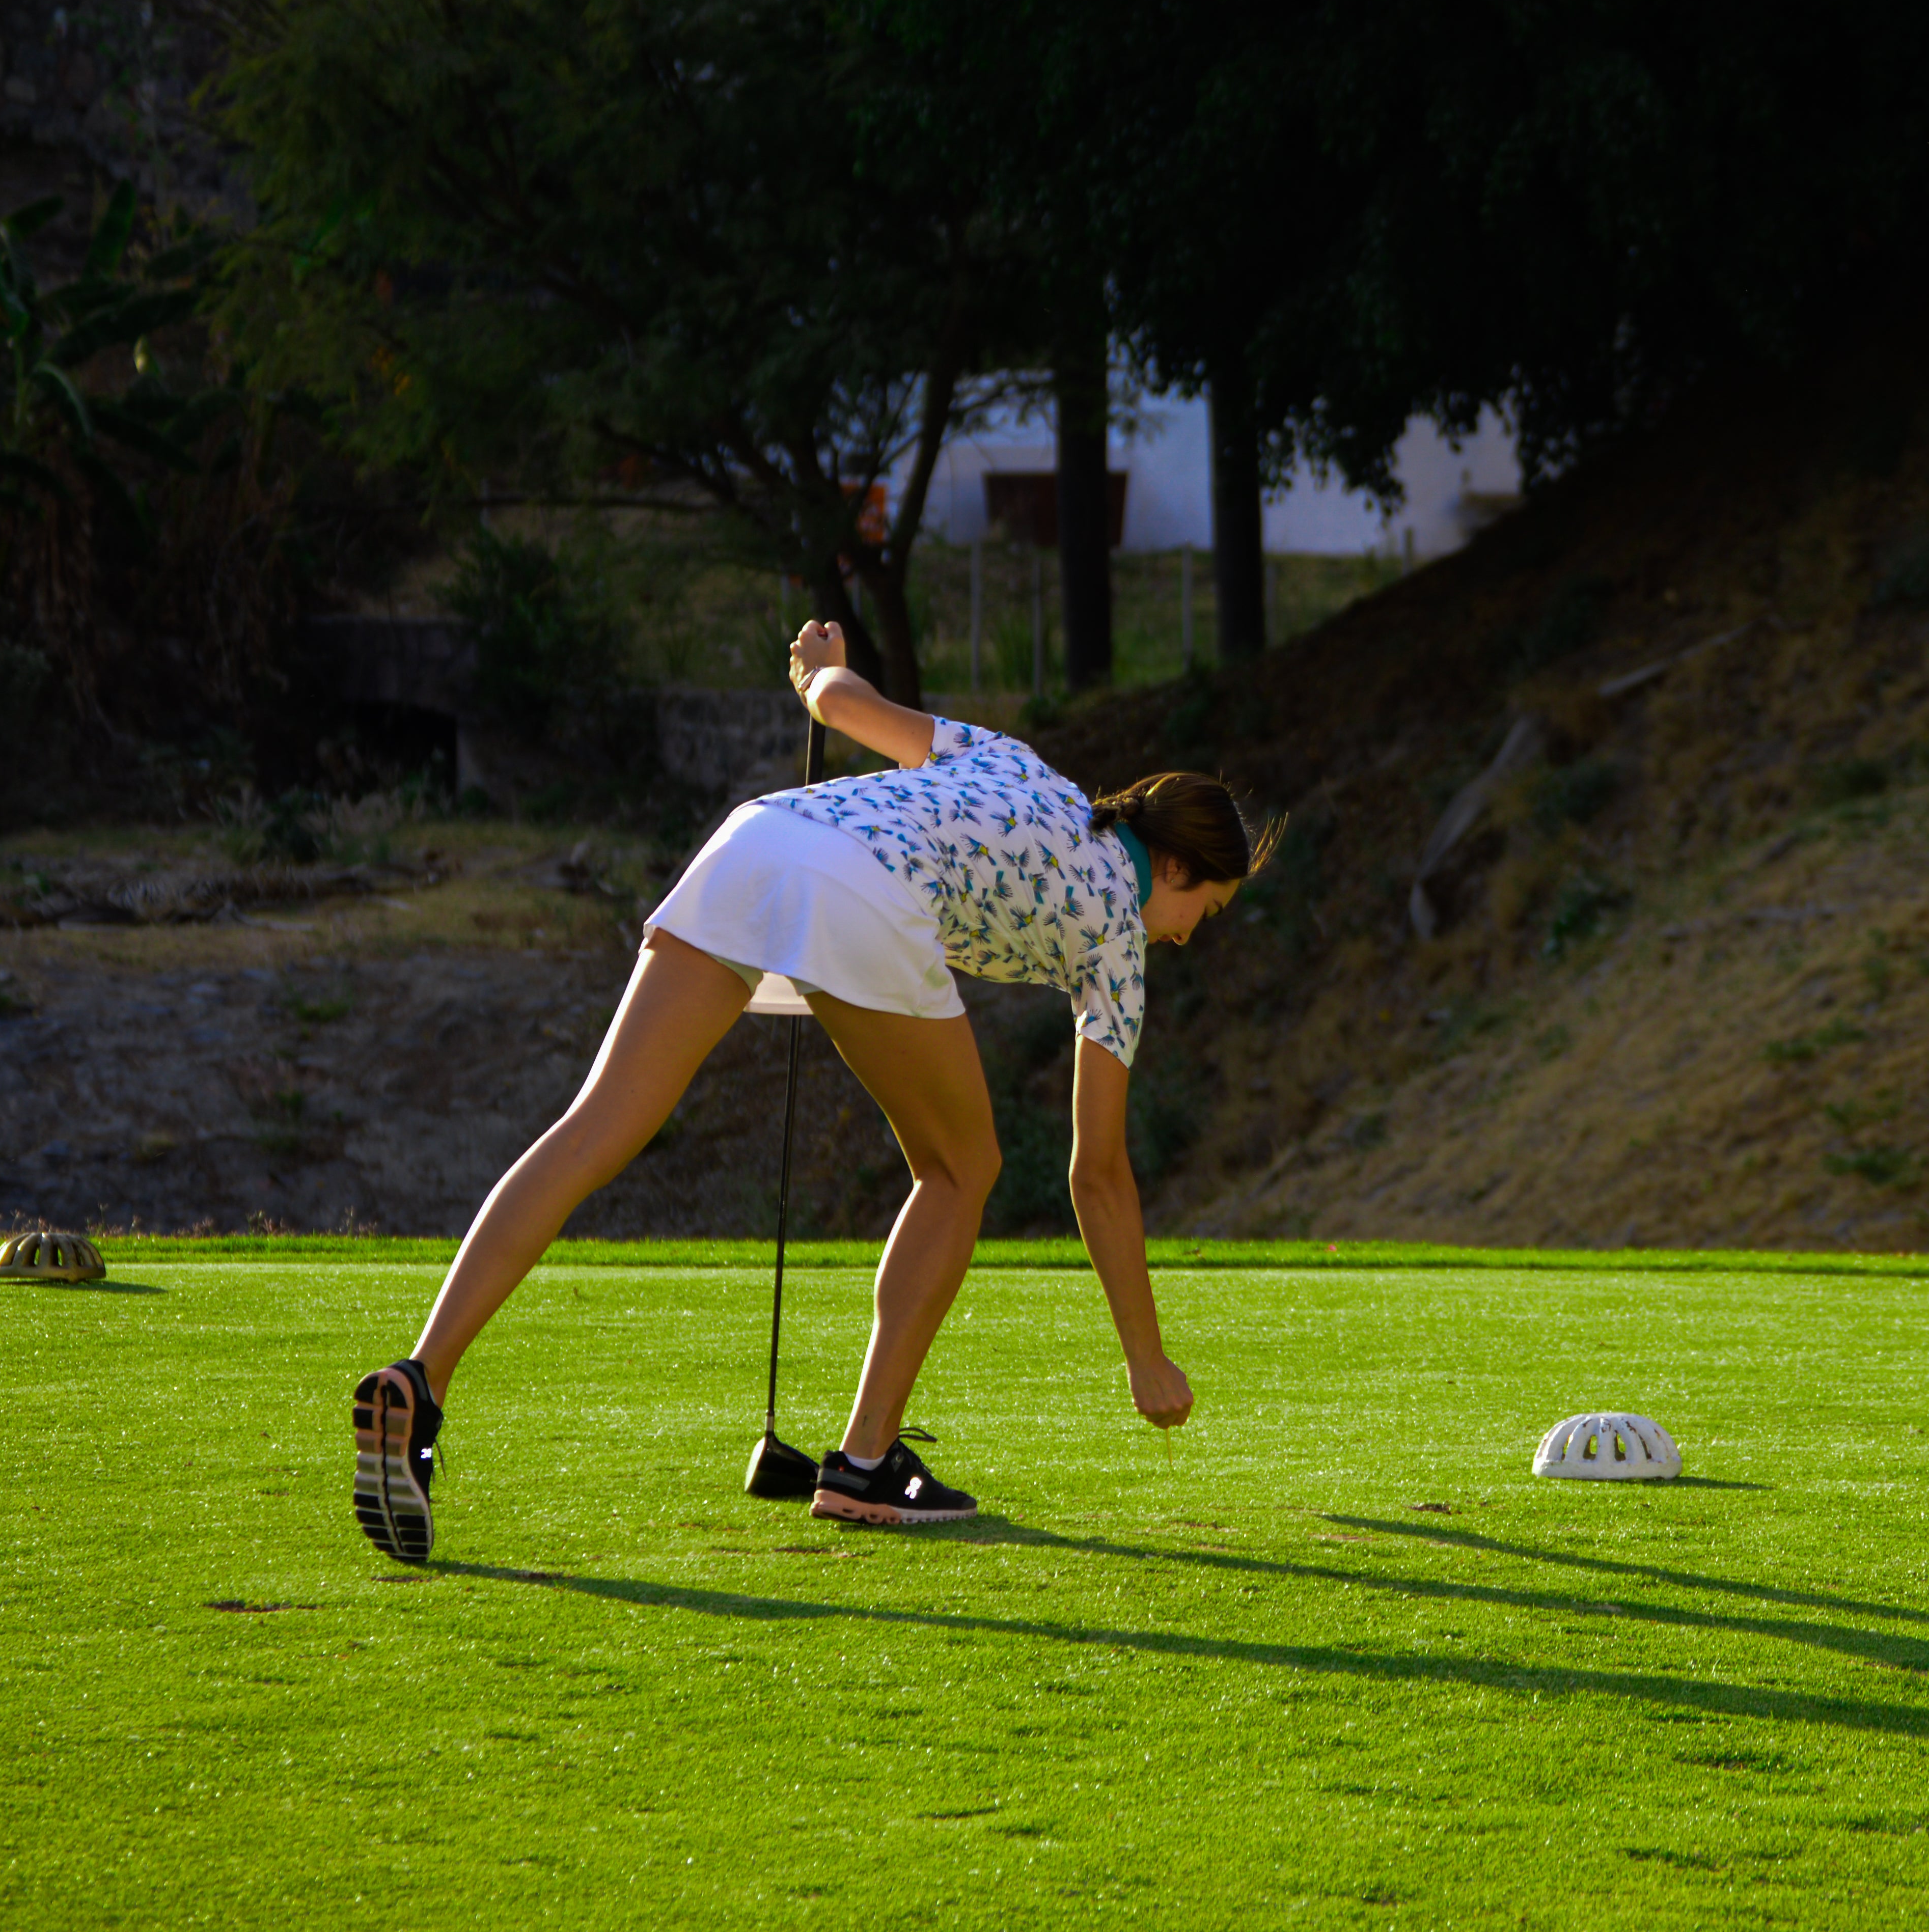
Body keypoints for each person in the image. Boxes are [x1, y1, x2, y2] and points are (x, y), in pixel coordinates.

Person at [349, 621, 1270, 1562]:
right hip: (865, 889)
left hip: (762, 834)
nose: (1190, 935)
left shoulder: (1021, 762)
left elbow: (842, 705)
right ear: (1175, 868)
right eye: (1206, 912)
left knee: (594, 1127)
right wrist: (1145, 1359)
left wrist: (821, 669)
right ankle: (866, 1463)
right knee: (963, 1170)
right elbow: (1099, 1174)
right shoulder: (1119, 939)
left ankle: (420, 1380)